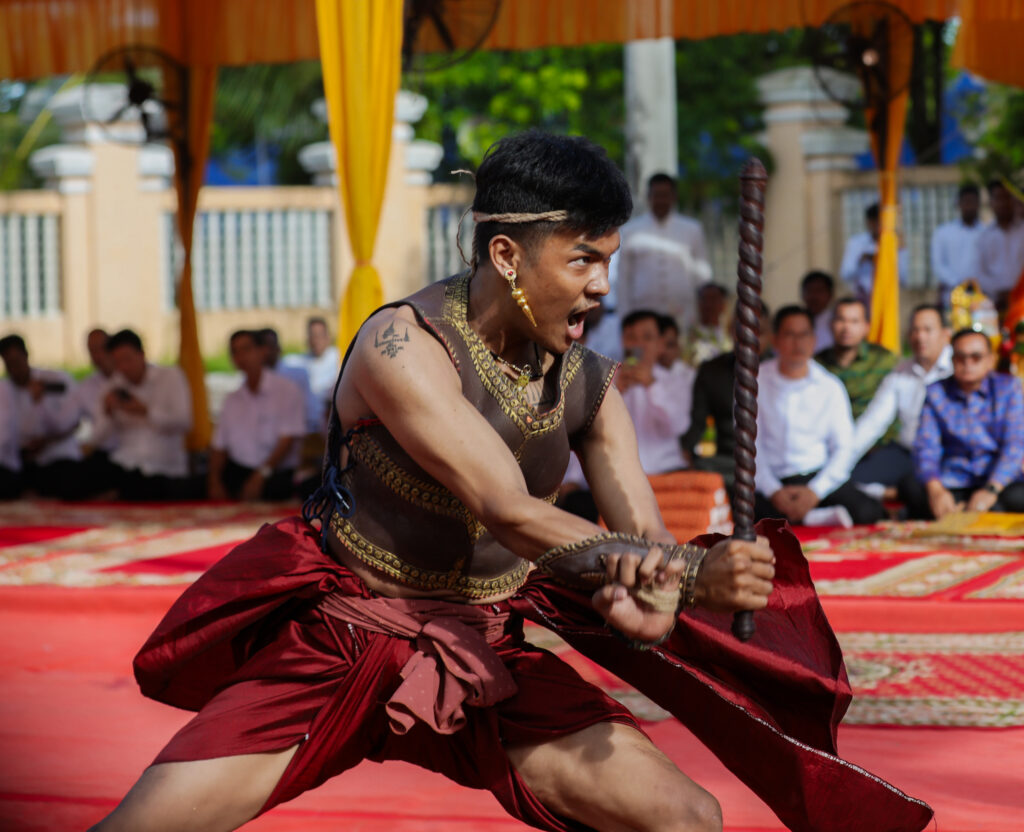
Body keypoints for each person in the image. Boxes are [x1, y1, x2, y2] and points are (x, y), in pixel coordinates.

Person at [91, 133, 930, 832]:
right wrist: (688, 574)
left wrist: (656, 599)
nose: (602, 286)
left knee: (684, 819)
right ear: (507, 253)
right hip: (341, 633)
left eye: (609, 259)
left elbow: (640, 543)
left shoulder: (590, 383)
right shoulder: (401, 345)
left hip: (489, 646)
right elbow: (507, 508)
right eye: (584, 259)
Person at [754, 307, 886, 526]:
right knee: (744, 509)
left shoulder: (830, 386)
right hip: (771, 479)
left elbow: (843, 449)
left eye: (804, 334)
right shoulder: (754, 382)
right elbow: (750, 447)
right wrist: (773, 490)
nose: (798, 343)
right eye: (790, 334)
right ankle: (812, 518)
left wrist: (815, 491)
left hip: (815, 475)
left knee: (868, 511)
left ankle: (807, 515)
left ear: (814, 340)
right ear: (775, 340)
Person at [907, 328, 1024, 519]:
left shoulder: (1008, 388)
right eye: (961, 357)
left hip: (998, 482)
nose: (968, 363)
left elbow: (1014, 446)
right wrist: (936, 490)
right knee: (913, 488)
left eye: (976, 357)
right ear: (952, 360)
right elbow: (926, 447)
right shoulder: (936, 392)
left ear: (990, 360)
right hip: (953, 481)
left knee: (1013, 499)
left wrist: (991, 490)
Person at [851, 305, 953, 493]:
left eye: (927, 330)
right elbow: (873, 422)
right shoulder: (901, 372)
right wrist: (840, 461)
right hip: (907, 453)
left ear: (946, 334)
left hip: (949, 455)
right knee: (851, 481)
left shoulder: (961, 367)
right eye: (915, 330)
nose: (920, 337)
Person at [91, 329, 193, 501]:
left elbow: (184, 422)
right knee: (84, 472)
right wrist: (107, 412)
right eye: (118, 362)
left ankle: (117, 494)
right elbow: (96, 439)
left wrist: (146, 411)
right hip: (125, 465)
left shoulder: (170, 377)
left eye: (127, 359)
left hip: (164, 469)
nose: (124, 367)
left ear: (142, 354)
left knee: (148, 486)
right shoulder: (113, 386)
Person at [681, 301, 771, 491]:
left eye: (758, 331)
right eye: (741, 330)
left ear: (770, 334)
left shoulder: (778, 369)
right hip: (729, 459)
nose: (748, 338)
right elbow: (697, 423)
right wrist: (685, 452)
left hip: (774, 459)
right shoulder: (711, 370)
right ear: (730, 330)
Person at [208, 330, 305, 502]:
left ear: (262, 351)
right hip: (238, 472)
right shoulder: (232, 399)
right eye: (235, 351)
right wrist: (214, 481)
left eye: (246, 349)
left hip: (275, 474)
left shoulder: (286, 390)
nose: (241, 356)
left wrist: (261, 475)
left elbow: (287, 440)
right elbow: (219, 445)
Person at [616, 172, 712, 332]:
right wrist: (625, 319)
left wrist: (705, 313)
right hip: (642, 314)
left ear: (674, 197)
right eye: (657, 195)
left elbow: (702, 274)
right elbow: (623, 279)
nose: (661, 200)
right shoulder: (630, 231)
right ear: (649, 197)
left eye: (665, 195)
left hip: (684, 315)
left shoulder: (692, 229)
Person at [0, 333, 84, 499]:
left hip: (57, 455)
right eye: (9, 365)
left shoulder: (55, 380)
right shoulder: (5, 390)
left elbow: (73, 422)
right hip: (22, 461)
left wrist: (40, 403)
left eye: (16, 362)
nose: (14, 369)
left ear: (26, 355)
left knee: (70, 480)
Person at [616, 310, 694, 475]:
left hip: (667, 469)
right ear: (622, 341)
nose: (639, 344)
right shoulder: (608, 381)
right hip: (621, 473)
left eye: (647, 337)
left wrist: (652, 386)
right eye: (631, 337)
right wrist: (615, 393)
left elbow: (679, 425)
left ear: (660, 344)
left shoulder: (675, 381)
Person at [815, 297, 899, 424]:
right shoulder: (817, 364)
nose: (846, 327)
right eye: (841, 320)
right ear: (831, 324)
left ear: (867, 327)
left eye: (854, 321)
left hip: (877, 433)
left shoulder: (884, 360)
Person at [839, 203, 909, 304]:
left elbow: (903, 278)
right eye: (877, 221)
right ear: (869, 222)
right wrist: (862, 260)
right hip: (862, 297)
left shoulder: (896, 244)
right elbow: (845, 274)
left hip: (887, 298)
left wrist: (889, 260)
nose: (881, 226)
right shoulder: (856, 243)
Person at [971, 179, 1024, 307]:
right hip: (994, 303)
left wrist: (1015, 292)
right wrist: (999, 292)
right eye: (998, 198)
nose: (1003, 203)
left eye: (1007, 197)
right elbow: (979, 273)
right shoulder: (983, 237)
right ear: (991, 202)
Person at [930, 184, 983, 306]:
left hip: (980, 298)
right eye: (966, 202)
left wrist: (975, 284)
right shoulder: (943, 232)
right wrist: (959, 283)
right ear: (958, 203)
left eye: (972, 202)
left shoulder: (986, 233)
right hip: (951, 297)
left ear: (978, 204)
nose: (969, 206)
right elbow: (938, 265)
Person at [258, 327, 317, 435]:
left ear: (278, 348)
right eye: (262, 347)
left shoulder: (297, 375)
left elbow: (310, 411)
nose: (266, 351)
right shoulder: (250, 381)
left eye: (270, 346)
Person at [284, 316, 340, 428]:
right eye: (313, 336)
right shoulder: (297, 363)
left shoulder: (339, 358)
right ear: (307, 339)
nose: (316, 340)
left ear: (328, 337)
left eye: (319, 335)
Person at [681, 283, 732, 367]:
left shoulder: (730, 335)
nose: (708, 304)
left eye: (713, 299)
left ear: (723, 304)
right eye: (704, 299)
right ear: (698, 304)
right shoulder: (687, 337)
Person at [801, 270, 836, 351]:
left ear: (830, 294)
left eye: (819, 291)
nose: (814, 296)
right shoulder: (795, 320)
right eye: (809, 290)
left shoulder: (836, 321)